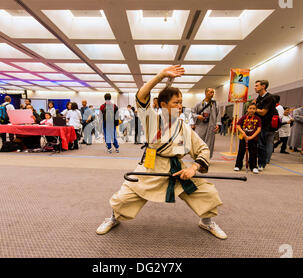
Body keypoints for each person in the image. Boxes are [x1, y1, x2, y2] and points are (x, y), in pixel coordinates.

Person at [96, 65, 226, 239]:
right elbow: (141, 96)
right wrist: (161, 76)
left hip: (177, 170)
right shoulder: (151, 120)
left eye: (181, 103)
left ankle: (206, 222)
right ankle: (113, 218)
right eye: (176, 103)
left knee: (208, 193)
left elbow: (202, 149)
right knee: (123, 198)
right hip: (151, 168)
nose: (180, 107)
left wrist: (193, 169)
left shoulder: (184, 128)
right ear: (163, 105)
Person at [192, 88, 221, 159]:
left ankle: (206, 158)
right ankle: (197, 157)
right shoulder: (198, 104)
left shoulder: (215, 104)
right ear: (205, 93)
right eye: (210, 92)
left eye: (213, 93)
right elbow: (192, 113)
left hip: (211, 126)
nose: (212, 94)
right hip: (200, 126)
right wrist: (198, 116)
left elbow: (218, 114)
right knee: (198, 142)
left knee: (209, 143)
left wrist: (217, 123)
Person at [254, 80, 277, 171]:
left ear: (263, 86)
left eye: (257, 85)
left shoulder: (270, 98)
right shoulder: (259, 98)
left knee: (262, 145)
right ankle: (257, 162)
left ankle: (261, 164)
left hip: (265, 126)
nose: (255, 87)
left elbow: (263, 112)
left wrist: (253, 109)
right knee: (258, 145)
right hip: (258, 125)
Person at [234, 103, 262, 173]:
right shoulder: (244, 117)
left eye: (253, 108)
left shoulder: (258, 118)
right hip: (243, 138)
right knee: (241, 152)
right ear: (247, 109)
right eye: (250, 108)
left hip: (253, 139)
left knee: (253, 153)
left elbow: (259, 129)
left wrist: (252, 137)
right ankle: (238, 165)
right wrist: (243, 133)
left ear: (256, 110)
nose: (251, 110)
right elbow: (238, 125)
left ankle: (253, 166)